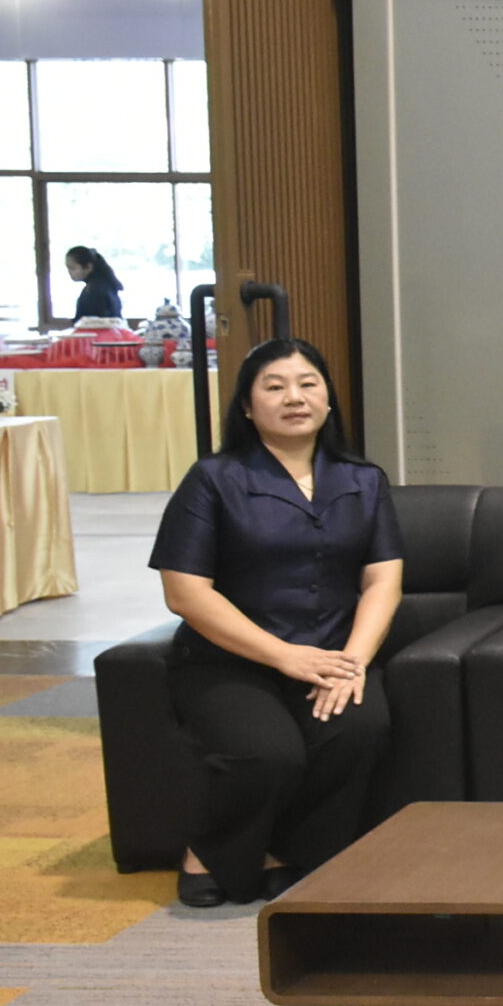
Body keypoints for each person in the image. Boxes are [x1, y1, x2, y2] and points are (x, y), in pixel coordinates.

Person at [150, 338, 402, 907]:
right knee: (269, 753)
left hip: (330, 657)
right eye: (275, 386)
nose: (295, 397)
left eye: (308, 384)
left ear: (328, 400)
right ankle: (210, 853)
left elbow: (383, 580)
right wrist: (284, 656)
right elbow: (184, 592)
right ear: (246, 405)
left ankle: (293, 852)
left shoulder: (363, 480)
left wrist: (353, 662)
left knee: (359, 731)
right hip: (229, 663)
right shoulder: (213, 479)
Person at [66, 246, 123, 319]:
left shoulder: (95, 290)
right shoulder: (103, 285)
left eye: (72, 268)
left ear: (89, 267)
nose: (69, 272)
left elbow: (94, 321)